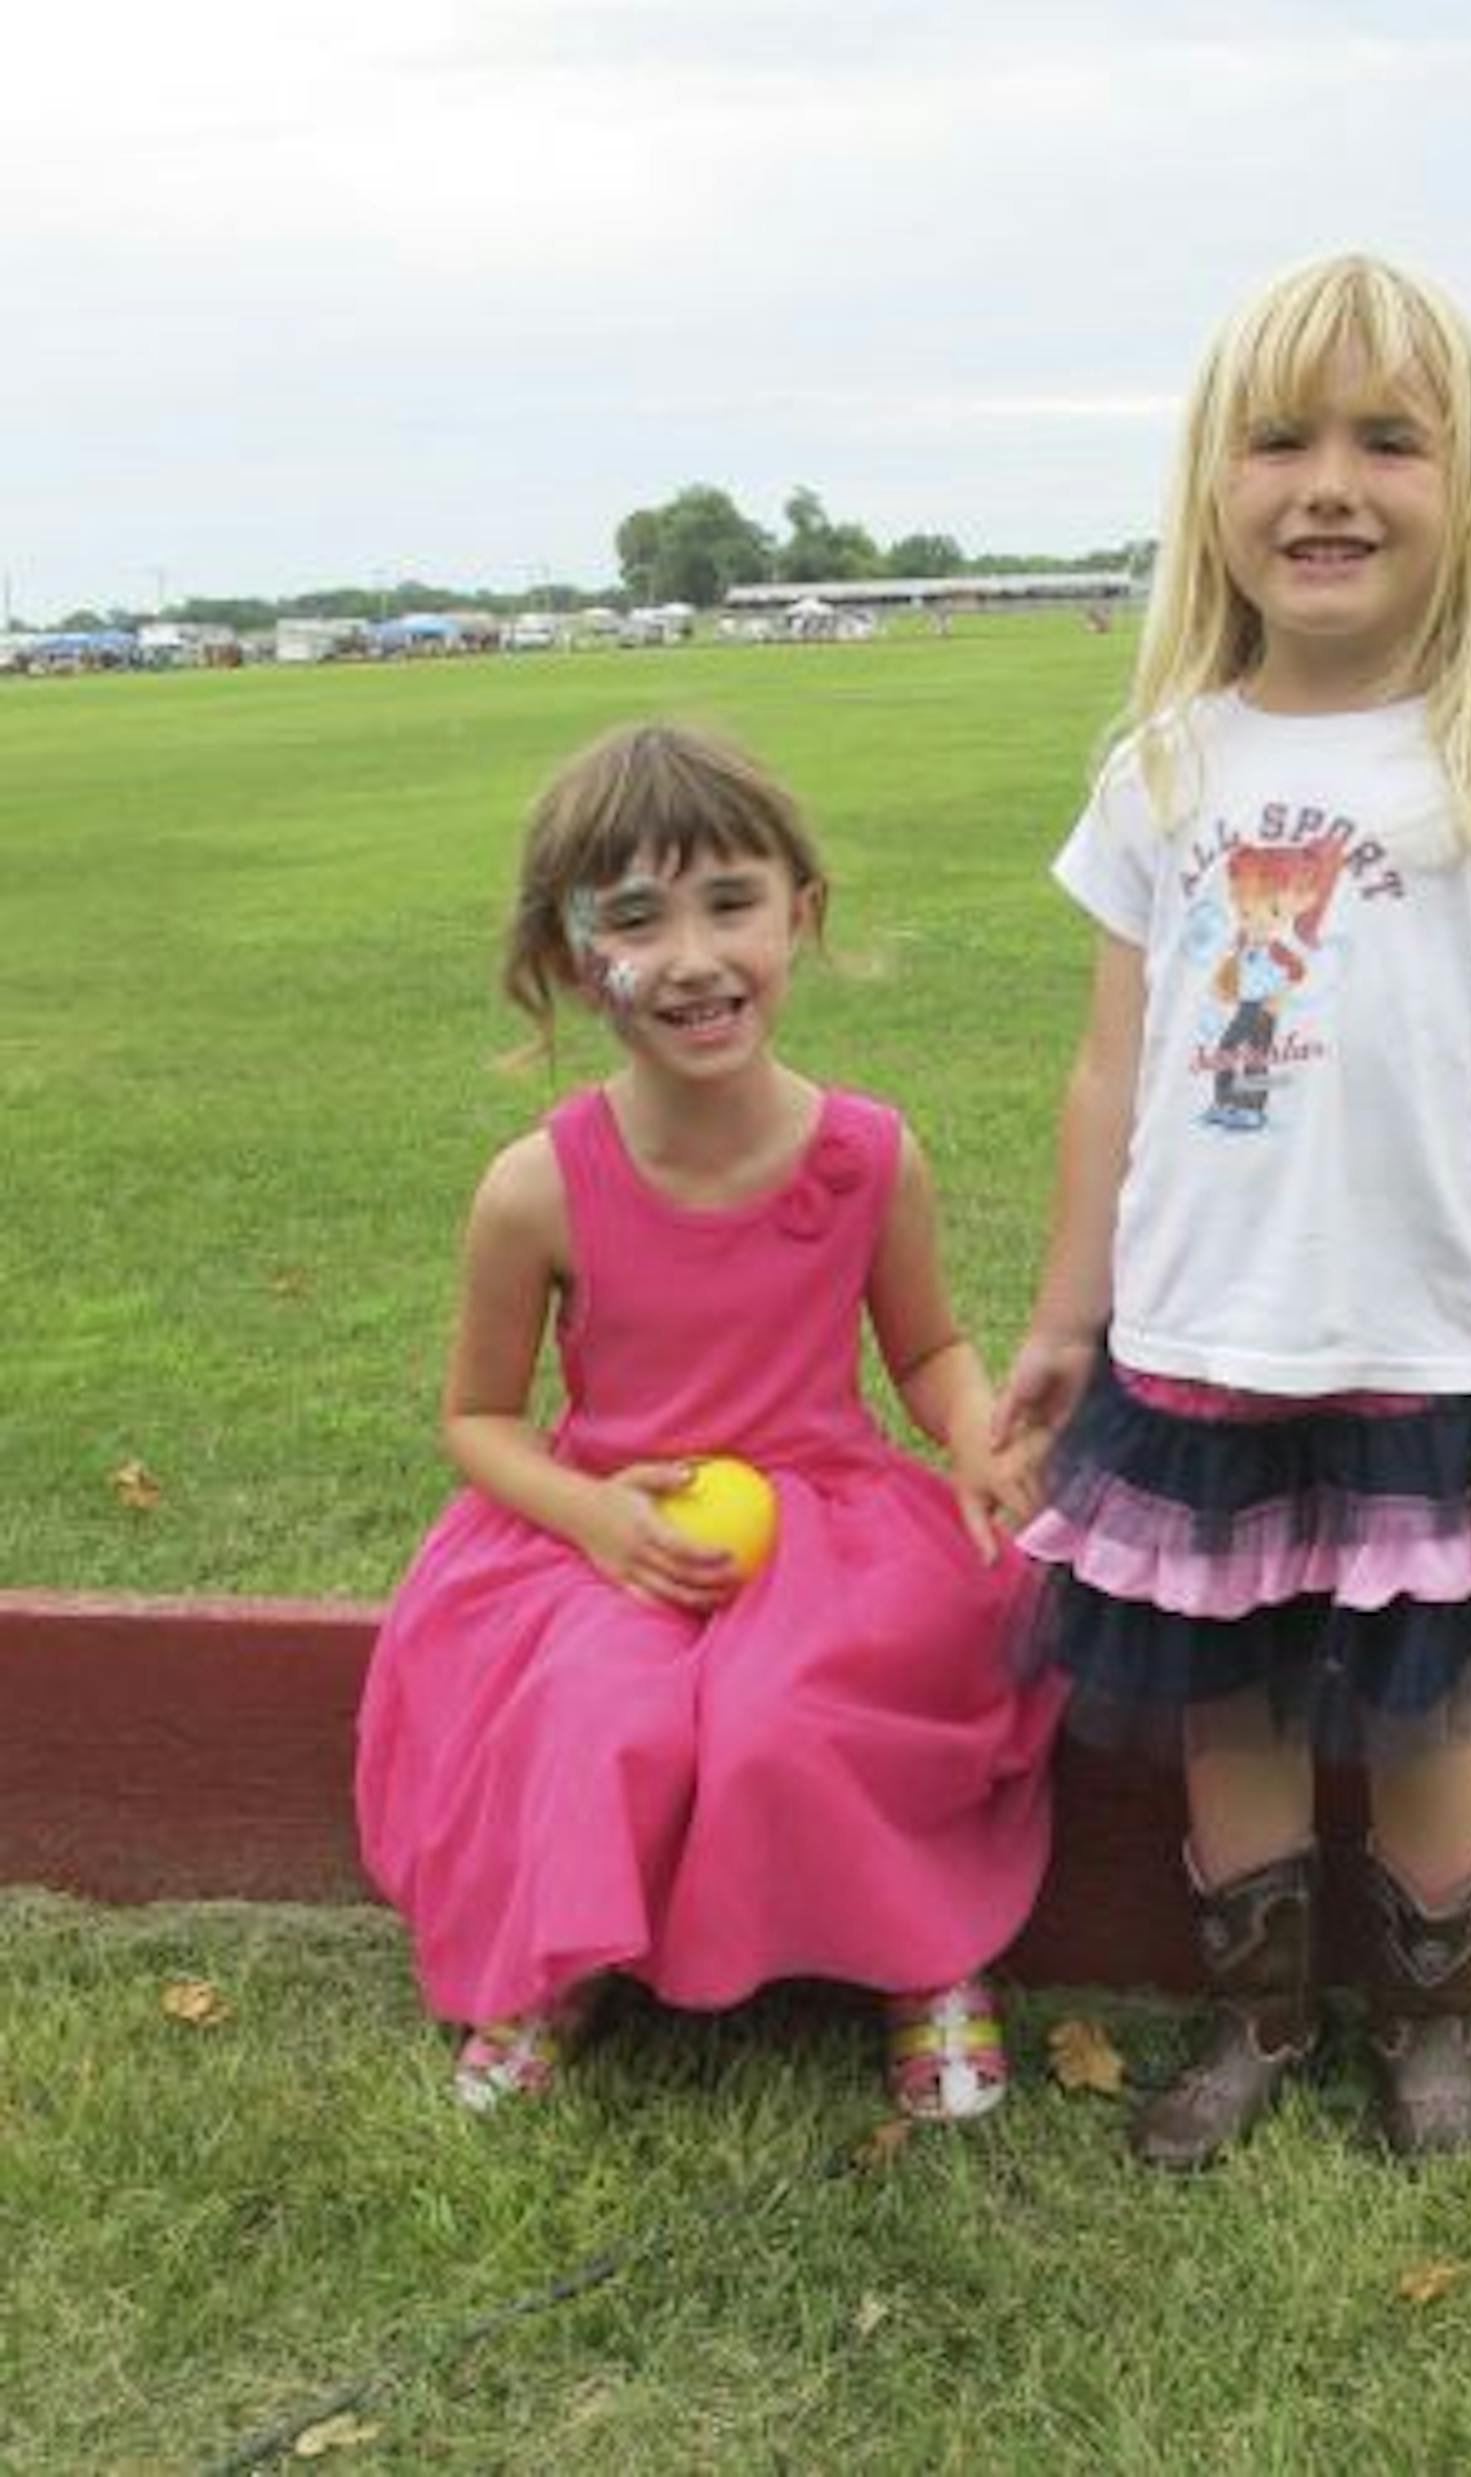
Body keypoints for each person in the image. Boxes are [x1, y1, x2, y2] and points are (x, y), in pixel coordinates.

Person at [995, 254, 1471, 2168]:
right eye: (1278, 440)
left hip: (1429, 1342)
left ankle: (1432, 2032)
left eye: (1390, 440)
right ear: (1213, 487)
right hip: (1198, 1335)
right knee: (1232, 1698)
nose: (1330, 484)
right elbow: (1109, 1076)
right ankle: (1255, 2021)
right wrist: (1062, 1318)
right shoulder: (1165, 769)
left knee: (1432, 1702)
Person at [357, 720, 1061, 2117]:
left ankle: (926, 1958)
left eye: (731, 903)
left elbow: (926, 1346)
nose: (691, 956)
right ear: (574, 957)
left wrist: (979, 1432)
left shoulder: (870, 1153)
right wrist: (597, 1517)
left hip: (832, 1521)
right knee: (597, 1709)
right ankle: (552, 1963)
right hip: (604, 1527)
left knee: (788, 1708)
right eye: (634, 919)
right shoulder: (534, 1188)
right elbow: (480, 1417)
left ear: (799, 917)